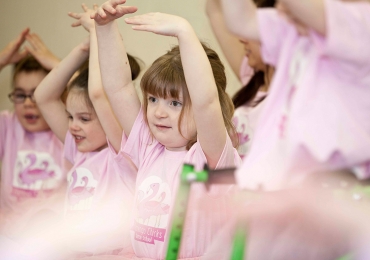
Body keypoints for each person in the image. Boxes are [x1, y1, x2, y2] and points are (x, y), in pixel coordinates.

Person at [92, 0, 242, 259]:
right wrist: (105, 29)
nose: (159, 112)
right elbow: (118, 88)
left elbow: (206, 103)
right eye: (152, 100)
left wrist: (184, 32)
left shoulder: (211, 158)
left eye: (174, 103)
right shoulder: (148, 145)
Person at [219, 0, 370, 190]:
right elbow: (240, 21)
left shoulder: (360, 23)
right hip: (282, 183)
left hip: (333, 187)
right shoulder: (297, 29)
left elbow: (304, 7)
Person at [32, 4, 141, 257]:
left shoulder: (122, 153)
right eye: (70, 117)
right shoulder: (78, 149)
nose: (73, 125)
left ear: (107, 117)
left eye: (84, 118)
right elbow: (44, 97)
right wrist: (83, 49)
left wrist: (97, 33)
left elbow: (99, 94)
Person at [0, 28, 67, 238]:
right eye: (20, 95)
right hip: (9, 235)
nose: (28, 103)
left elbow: (94, 97)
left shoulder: (69, 130)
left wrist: (59, 67)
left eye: (37, 94)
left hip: (53, 237)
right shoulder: (8, 126)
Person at [206, 0, 275, 158]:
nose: (242, 39)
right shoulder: (252, 76)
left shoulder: (298, 90)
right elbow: (215, 8)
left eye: (252, 29)